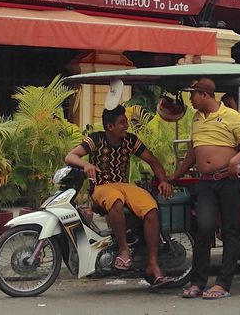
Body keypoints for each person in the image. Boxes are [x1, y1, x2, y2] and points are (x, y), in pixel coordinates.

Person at [65, 104, 174, 287]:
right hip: (102, 187)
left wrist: (163, 180)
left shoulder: (131, 140)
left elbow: (152, 160)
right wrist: (86, 165)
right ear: (110, 127)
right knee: (115, 201)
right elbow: (71, 156)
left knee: (151, 208)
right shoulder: (96, 139)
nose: (126, 126)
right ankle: (124, 251)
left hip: (124, 185)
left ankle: (153, 265)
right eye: (122, 123)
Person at [170, 78, 240, 300]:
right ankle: (198, 282)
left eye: (193, 95)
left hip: (229, 180)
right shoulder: (197, 119)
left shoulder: (230, 115)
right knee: (204, 227)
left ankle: (223, 284)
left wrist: (234, 160)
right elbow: (193, 150)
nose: (190, 99)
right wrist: (177, 174)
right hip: (207, 182)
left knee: (230, 231)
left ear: (205, 95)